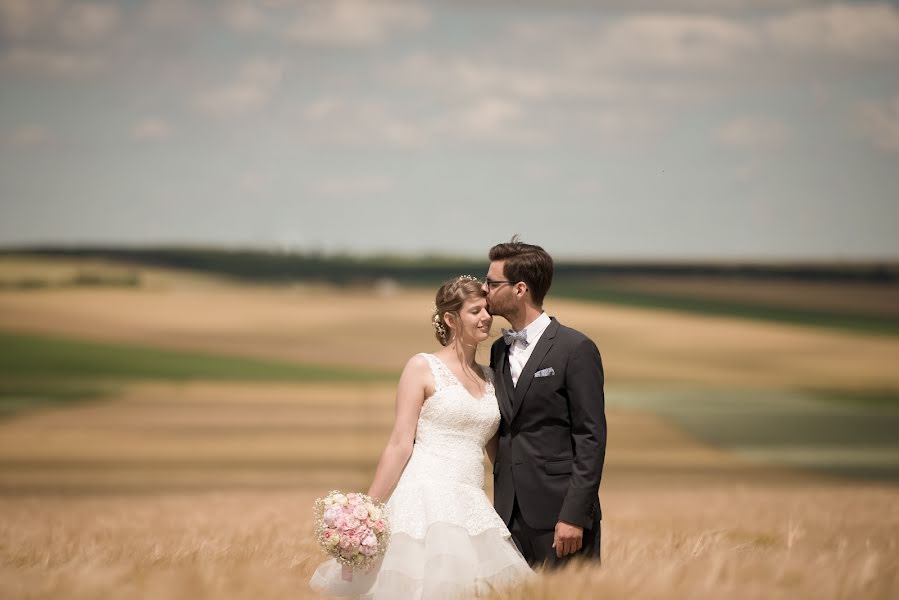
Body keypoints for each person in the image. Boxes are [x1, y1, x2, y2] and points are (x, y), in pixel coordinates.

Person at [310, 276, 533, 599]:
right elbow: (400, 443)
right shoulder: (421, 367)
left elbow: (497, 452)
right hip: (424, 498)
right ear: (450, 319)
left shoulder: (491, 376)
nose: (486, 316)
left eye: (487, 309)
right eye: (475, 311)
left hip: (471, 501)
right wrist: (366, 512)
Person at [482, 237, 606, 568]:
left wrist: (574, 515)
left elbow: (591, 438)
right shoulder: (498, 350)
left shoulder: (575, 349)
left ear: (520, 289)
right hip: (508, 517)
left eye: (492, 283)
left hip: (561, 519)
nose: (484, 290)